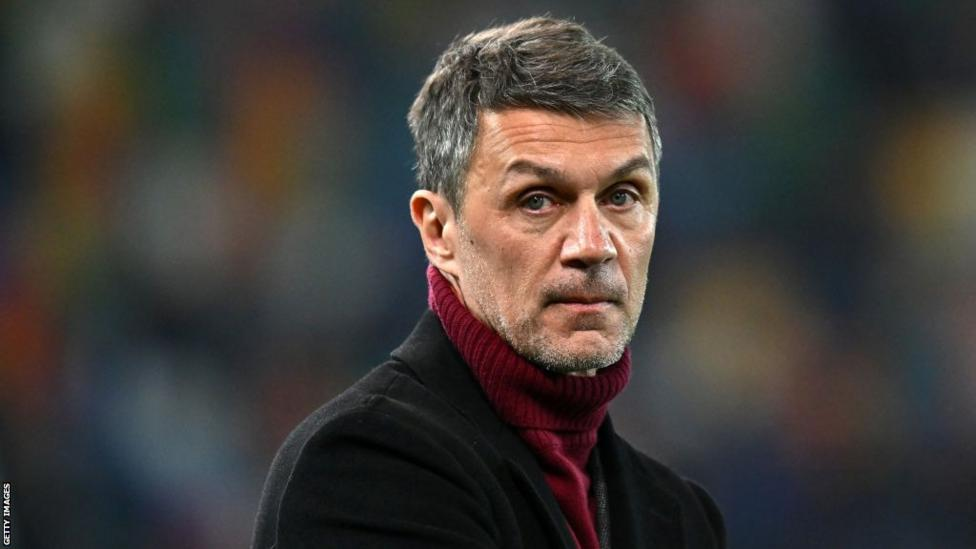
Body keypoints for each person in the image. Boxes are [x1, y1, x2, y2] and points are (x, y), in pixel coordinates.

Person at [252, 16, 725, 549]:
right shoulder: (361, 470)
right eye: (537, 200)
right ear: (439, 231)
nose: (593, 245)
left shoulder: (681, 518)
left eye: (622, 196)